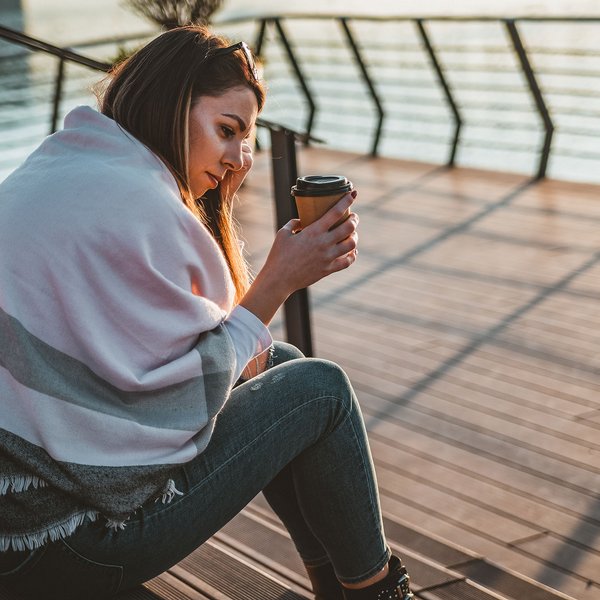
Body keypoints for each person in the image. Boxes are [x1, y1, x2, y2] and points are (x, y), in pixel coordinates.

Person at [0, 25, 413, 600]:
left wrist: (214, 201)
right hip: (57, 545)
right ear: (172, 103)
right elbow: (172, 412)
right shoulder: (141, 201)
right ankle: (378, 594)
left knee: (281, 365)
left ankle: (343, 590)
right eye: (227, 130)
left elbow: (169, 367)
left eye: (247, 139)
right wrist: (278, 281)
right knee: (320, 389)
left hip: (18, 513)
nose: (240, 158)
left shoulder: (66, 163)